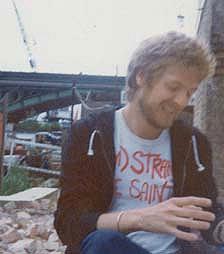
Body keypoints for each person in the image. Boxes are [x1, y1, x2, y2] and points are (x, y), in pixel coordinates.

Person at [54, 31, 224, 254]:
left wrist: (220, 228)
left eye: (190, 92)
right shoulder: (89, 134)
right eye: (173, 87)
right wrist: (140, 219)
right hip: (115, 248)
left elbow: (206, 211)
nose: (182, 101)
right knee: (103, 243)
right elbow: (69, 223)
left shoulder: (193, 141)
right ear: (141, 77)